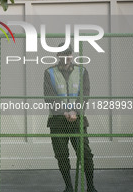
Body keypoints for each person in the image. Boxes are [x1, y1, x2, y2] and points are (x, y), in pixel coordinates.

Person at [43, 43, 97, 192]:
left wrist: (75, 111)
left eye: (69, 54)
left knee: (85, 155)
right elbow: (49, 96)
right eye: (62, 54)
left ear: (72, 55)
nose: (66, 57)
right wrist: (64, 112)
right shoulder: (49, 72)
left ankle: (91, 187)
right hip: (57, 121)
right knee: (61, 156)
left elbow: (85, 93)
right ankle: (69, 187)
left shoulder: (82, 71)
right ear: (57, 56)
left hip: (77, 120)